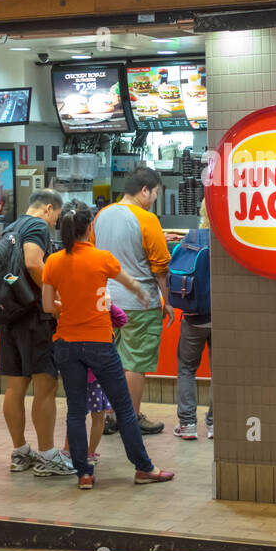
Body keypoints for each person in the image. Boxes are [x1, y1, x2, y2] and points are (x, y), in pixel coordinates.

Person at [42, 200, 174, 490]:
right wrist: (142, 294)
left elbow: (48, 306)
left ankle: (84, 474)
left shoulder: (53, 262)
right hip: (100, 343)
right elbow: (132, 284)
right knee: (124, 408)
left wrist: (71, 305)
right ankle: (143, 468)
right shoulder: (101, 258)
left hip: (66, 344)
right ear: (90, 228)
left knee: (75, 411)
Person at [0, 189, 75, 478]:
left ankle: (20, 452)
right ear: (48, 208)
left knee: (15, 387)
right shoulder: (37, 226)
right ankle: (46, 456)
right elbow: (33, 262)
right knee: (46, 385)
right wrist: (54, 296)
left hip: (10, 317)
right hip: (34, 319)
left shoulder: (11, 227)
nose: (56, 222)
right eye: (56, 215)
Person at [92, 166, 170, 435]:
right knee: (135, 363)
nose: (154, 199)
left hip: (106, 301)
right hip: (139, 302)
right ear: (145, 190)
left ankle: (110, 415)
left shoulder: (101, 215)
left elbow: (93, 254)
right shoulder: (146, 219)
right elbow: (160, 267)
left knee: (113, 361)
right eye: (155, 193)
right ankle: (131, 418)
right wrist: (167, 302)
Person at [62, 302, 128, 464]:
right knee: (98, 417)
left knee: (75, 415)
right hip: (98, 376)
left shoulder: (71, 307)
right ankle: (90, 453)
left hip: (76, 374)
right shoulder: (101, 308)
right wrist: (109, 304)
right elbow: (122, 319)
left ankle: (67, 451)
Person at [174, 202, 213, 440]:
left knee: (187, 369)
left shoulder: (193, 237)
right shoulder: (232, 240)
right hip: (223, 315)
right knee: (219, 371)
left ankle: (187, 425)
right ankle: (215, 425)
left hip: (194, 316)